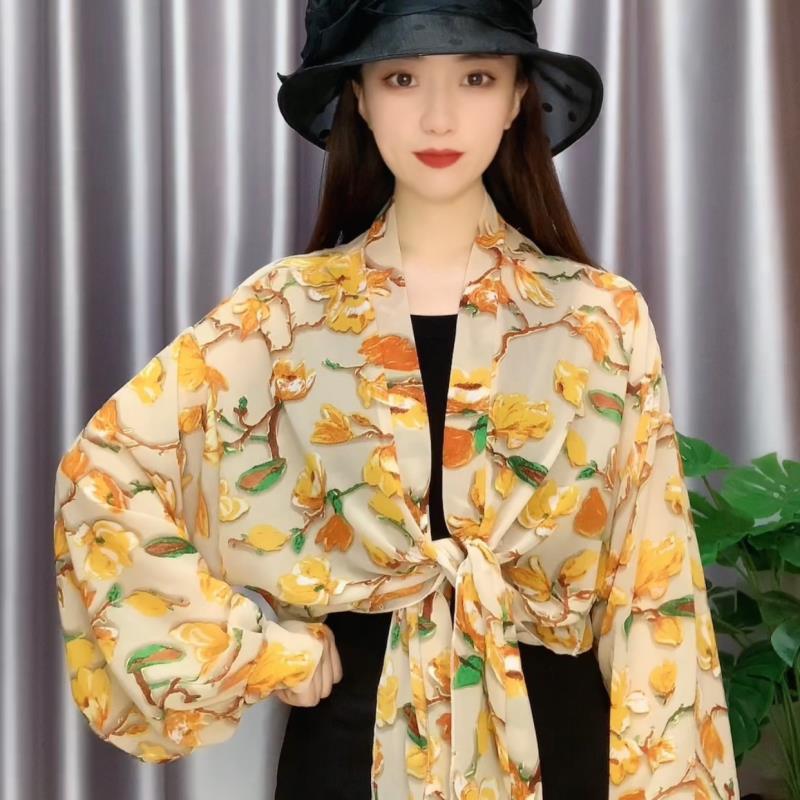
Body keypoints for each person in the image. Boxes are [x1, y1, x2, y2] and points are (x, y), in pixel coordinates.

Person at [52, 2, 741, 799]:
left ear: (517, 96)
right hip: (348, 753)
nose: (439, 116)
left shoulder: (599, 319)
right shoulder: (287, 313)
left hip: (560, 749)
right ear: (360, 97)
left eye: (476, 78)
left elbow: (654, 592)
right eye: (402, 78)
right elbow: (104, 475)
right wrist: (259, 652)